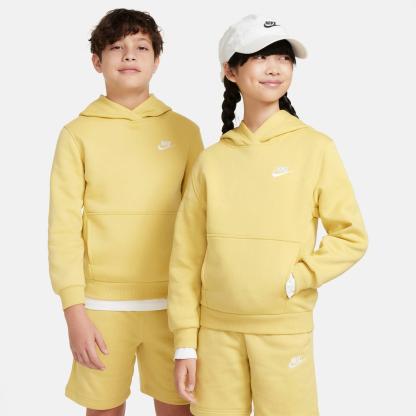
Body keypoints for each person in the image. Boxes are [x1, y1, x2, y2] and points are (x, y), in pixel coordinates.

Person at [168, 14, 368, 416]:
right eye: (260, 57)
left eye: (283, 58)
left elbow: (351, 236)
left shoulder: (316, 148)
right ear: (231, 71)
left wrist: (300, 277)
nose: (275, 68)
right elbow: (186, 258)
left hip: (283, 329)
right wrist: (185, 343)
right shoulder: (212, 161)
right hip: (216, 334)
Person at [48, 8, 203, 416]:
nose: (129, 55)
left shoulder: (185, 132)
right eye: (116, 47)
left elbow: (199, 225)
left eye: (141, 47)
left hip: (173, 308)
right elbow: (63, 228)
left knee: (180, 410)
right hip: (101, 308)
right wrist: (74, 313)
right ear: (96, 61)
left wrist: (195, 312)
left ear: (157, 60)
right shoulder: (77, 134)